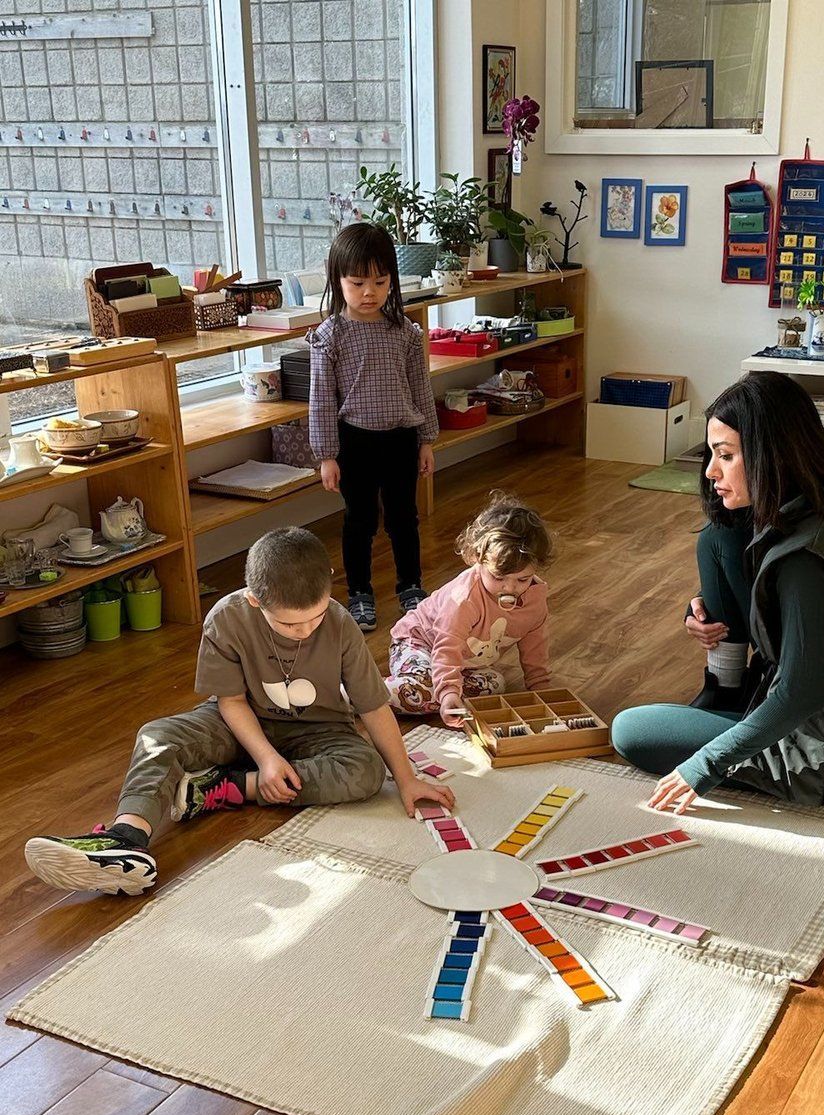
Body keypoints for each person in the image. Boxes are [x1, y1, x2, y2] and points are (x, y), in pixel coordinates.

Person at [24, 527, 454, 896]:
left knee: (364, 770)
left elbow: (374, 706)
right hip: (239, 720)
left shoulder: (340, 625)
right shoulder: (226, 618)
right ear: (254, 599)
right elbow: (229, 701)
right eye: (288, 624)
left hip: (320, 730)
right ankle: (127, 837)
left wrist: (406, 779)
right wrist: (267, 758)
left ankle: (223, 786)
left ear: (329, 583)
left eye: (315, 617)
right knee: (158, 735)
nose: (304, 630)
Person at [612, 370, 824, 816]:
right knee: (720, 536)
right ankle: (727, 689)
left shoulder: (805, 560)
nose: (710, 471)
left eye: (725, 455)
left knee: (632, 730)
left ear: (769, 453)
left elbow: (798, 694)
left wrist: (704, 765)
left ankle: (735, 715)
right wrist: (699, 605)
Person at [308, 221, 438, 633]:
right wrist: (326, 455)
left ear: (391, 282)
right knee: (359, 520)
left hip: (400, 439)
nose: (369, 292)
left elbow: (421, 387)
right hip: (354, 443)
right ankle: (359, 594)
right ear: (338, 280)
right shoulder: (330, 336)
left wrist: (426, 441)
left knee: (404, 517)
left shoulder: (405, 332)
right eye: (358, 282)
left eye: (380, 282)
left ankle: (410, 587)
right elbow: (321, 402)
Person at [385, 492, 553, 726]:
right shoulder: (464, 599)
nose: (510, 588)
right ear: (477, 558)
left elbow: (535, 647)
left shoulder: (535, 598)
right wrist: (449, 693)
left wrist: (541, 688)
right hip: (420, 643)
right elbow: (446, 648)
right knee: (422, 689)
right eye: (499, 577)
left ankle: (436, 691)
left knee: (495, 684)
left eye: (523, 579)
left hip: (463, 661)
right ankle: (359, 694)